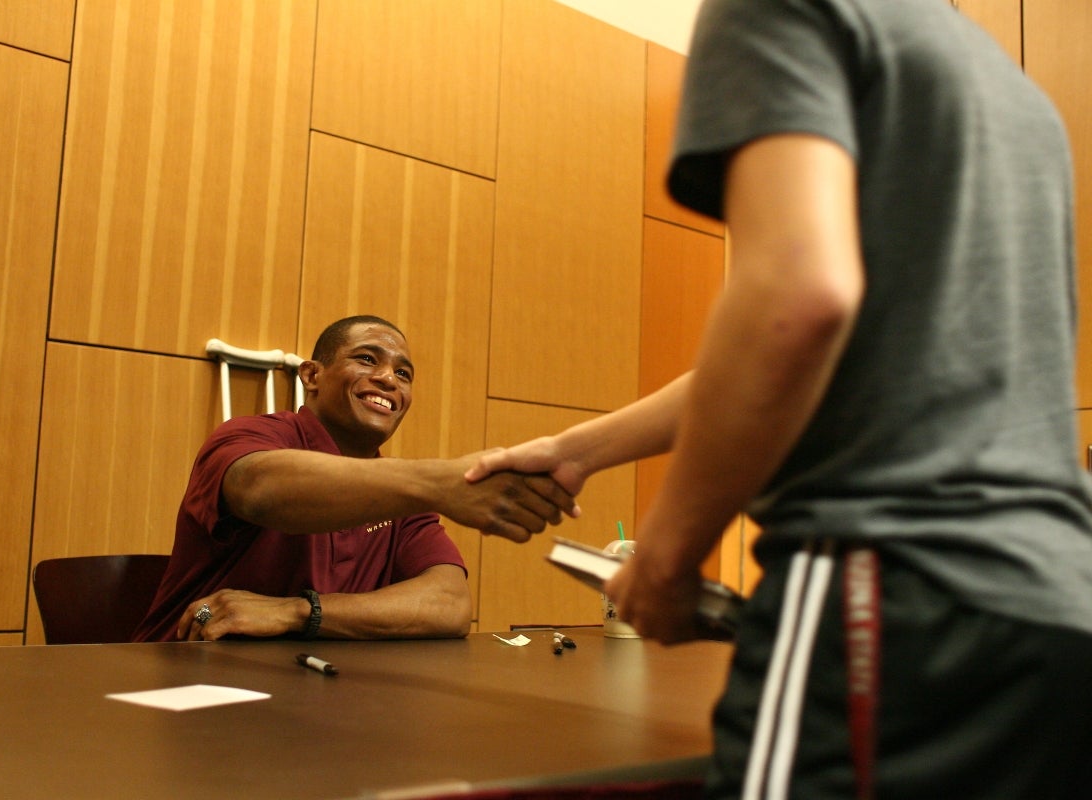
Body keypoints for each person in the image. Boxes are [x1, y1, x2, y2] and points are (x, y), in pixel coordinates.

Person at [467, 1, 1092, 798]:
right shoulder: (1006, 88)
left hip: (893, 599)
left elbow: (794, 304)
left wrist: (663, 558)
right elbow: (842, 341)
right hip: (1058, 604)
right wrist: (578, 453)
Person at [133, 314, 574, 643]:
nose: (387, 379)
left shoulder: (404, 491)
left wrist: (300, 612)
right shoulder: (253, 435)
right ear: (312, 376)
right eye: (367, 360)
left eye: (403, 374)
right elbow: (261, 491)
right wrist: (441, 478)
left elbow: (450, 604)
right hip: (185, 684)